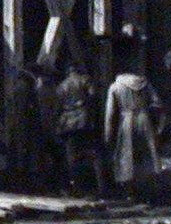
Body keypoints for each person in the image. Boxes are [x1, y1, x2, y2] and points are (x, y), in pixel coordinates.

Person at [104, 70, 162, 194]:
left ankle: (130, 190)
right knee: (148, 152)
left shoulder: (115, 86)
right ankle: (148, 189)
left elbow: (110, 113)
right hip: (144, 118)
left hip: (127, 120)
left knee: (127, 153)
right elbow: (157, 103)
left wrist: (108, 133)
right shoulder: (145, 84)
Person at [54, 64, 107, 196]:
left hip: (68, 124)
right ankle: (101, 188)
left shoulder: (61, 86)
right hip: (85, 121)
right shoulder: (85, 80)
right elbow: (94, 97)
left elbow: (57, 107)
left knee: (71, 157)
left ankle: (77, 188)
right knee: (94, 155)